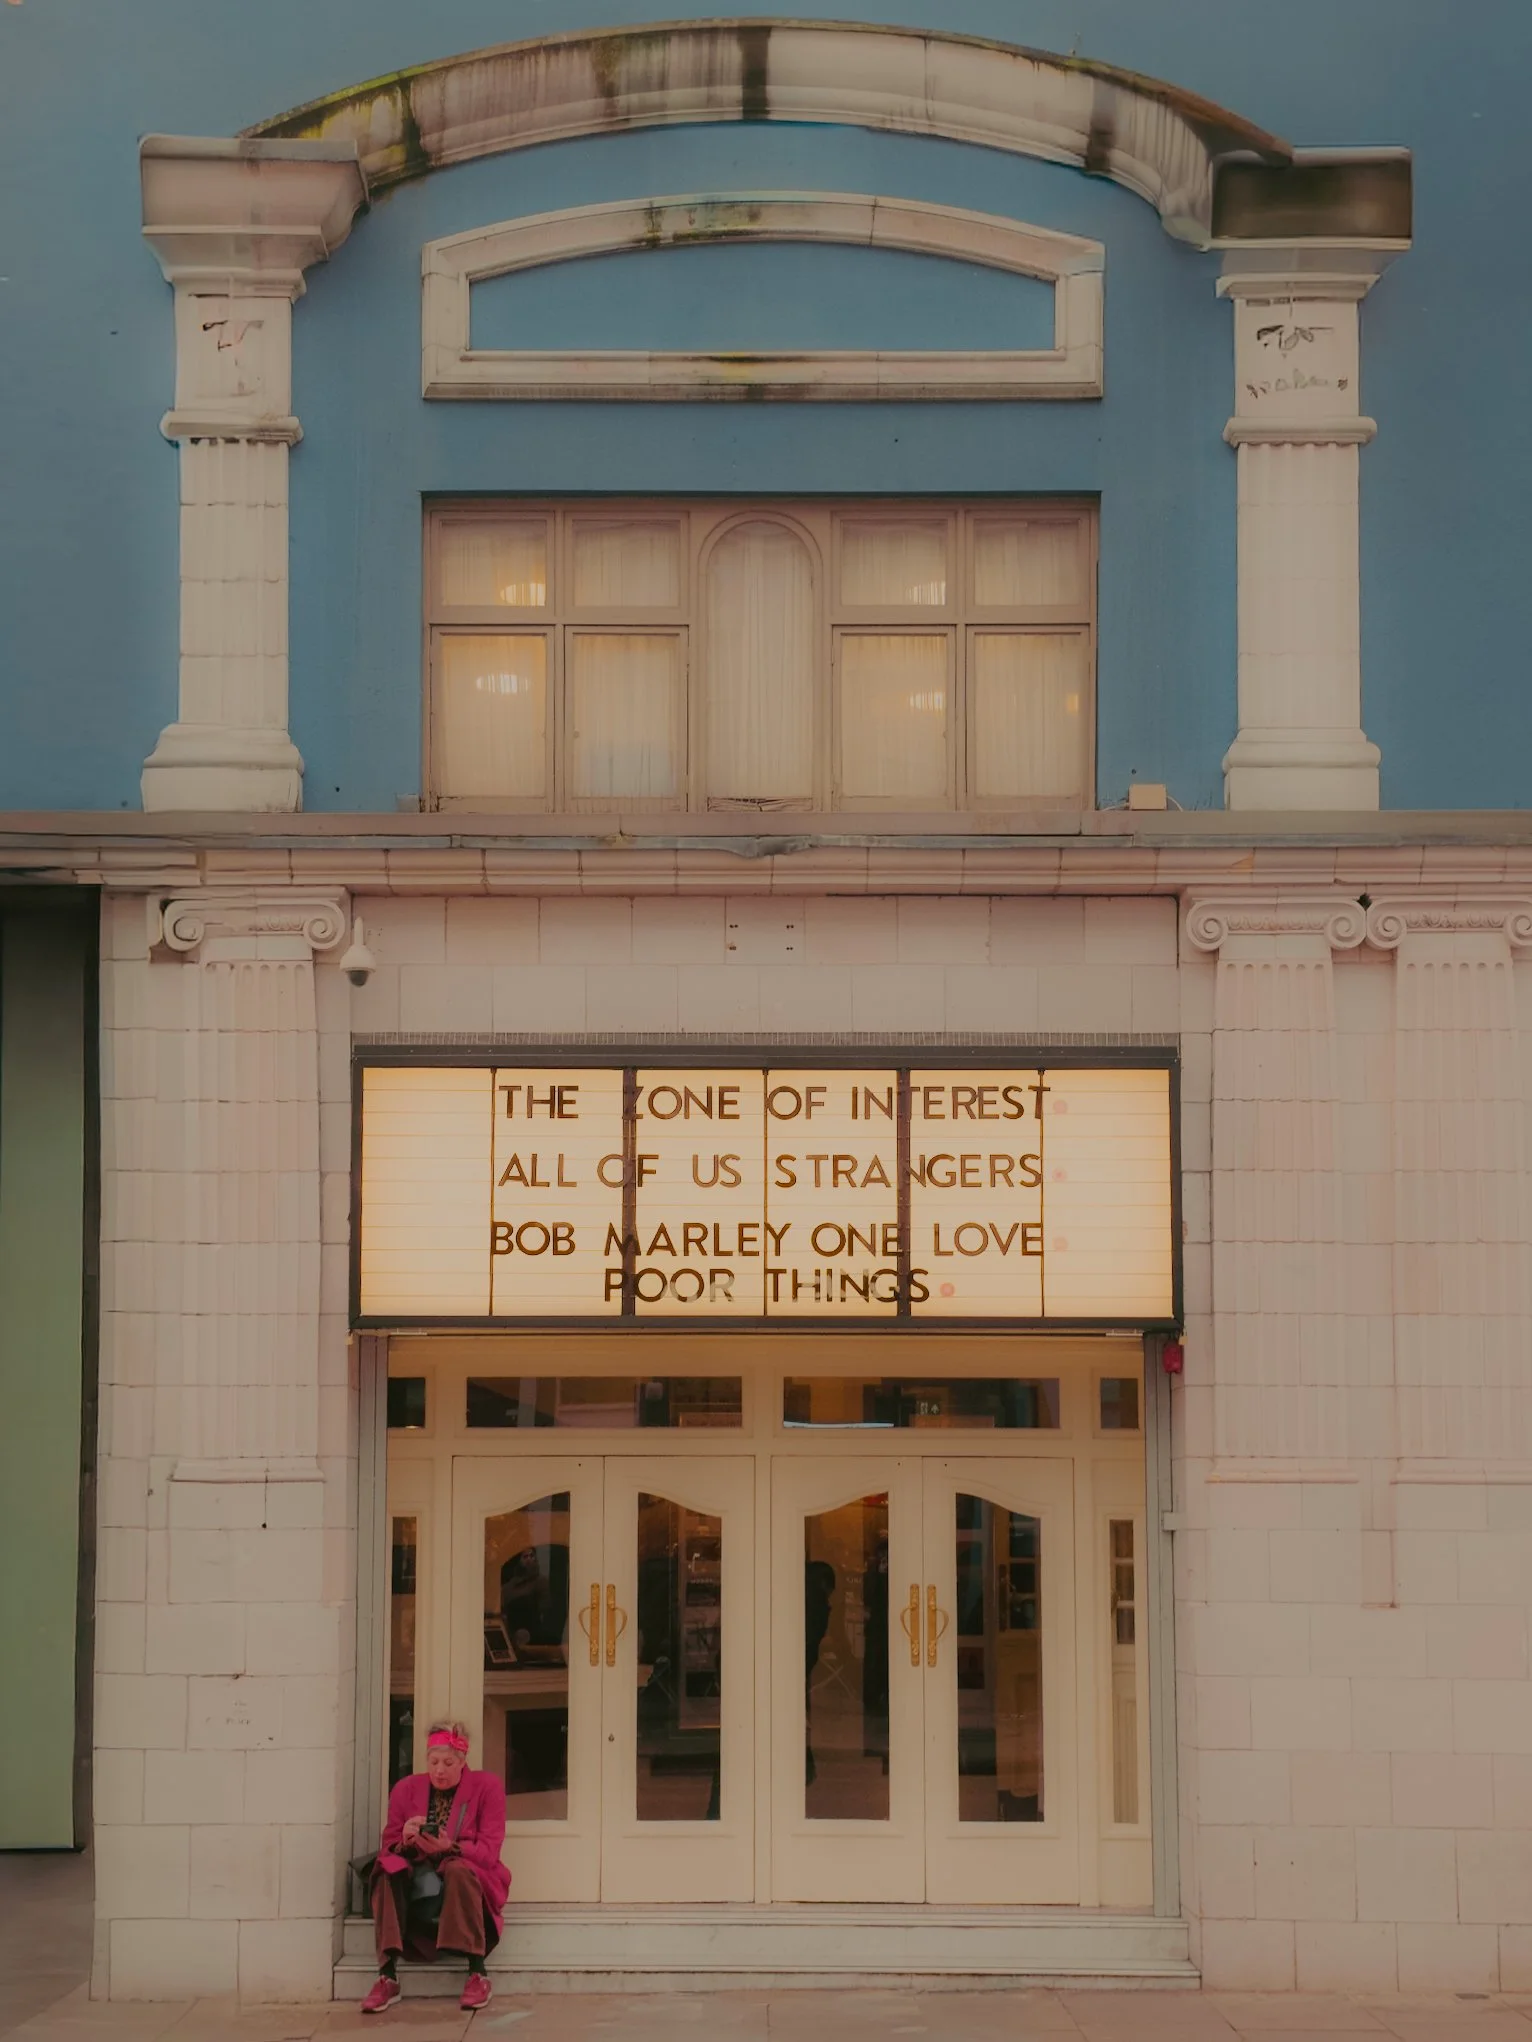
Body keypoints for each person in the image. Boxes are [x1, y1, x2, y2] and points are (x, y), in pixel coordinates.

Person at [360, 1720, 510, 2014]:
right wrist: (405, 1839)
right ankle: (387, 1975)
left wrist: (451, 1847)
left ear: (463, 1761)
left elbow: (489, 1852)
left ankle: (477, 1971)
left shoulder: (486, 1787)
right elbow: (388, 1842)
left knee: (458, 1869)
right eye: (433, 1762)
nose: (439, 1770)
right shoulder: (406, 1788)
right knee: (386, 1868)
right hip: (418, 1872)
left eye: (448, 1762)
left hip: (464, 1873)